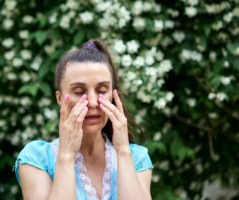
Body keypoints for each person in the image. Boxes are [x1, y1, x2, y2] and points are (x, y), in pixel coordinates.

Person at [14, 39, 153, 200]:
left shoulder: (136, 158)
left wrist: (122, 150)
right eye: (79, 91)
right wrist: (66, 155)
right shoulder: (37, 159)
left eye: (102, 90)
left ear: (113, 95)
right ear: (60, 98)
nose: (93, 102)